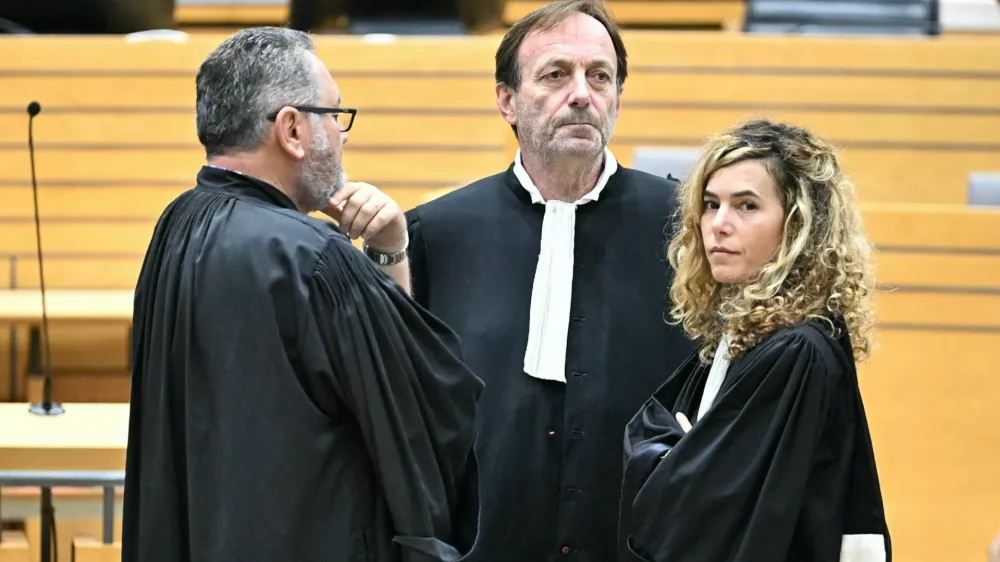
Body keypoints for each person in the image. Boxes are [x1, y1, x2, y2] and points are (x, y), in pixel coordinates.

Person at [122, 27, 483, 562]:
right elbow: (418, 401)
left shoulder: (176, 224)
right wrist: (392, 251)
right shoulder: (313, 256)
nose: (342, 134)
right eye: (334, 114)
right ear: (291, 129)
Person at [404, 1, 695, 560]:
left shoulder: (689, 229)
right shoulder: (435, 234)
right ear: (507, 100)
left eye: (600, 76)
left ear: (618, 98)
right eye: (556, 74)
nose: (582, 94)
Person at [617, 119, 891, 562]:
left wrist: (665, 460)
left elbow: (696, 517)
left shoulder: (797, 351)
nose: (718, 225)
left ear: (799, 225)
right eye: (710, 204)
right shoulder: (742, 333)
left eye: (746, 206)